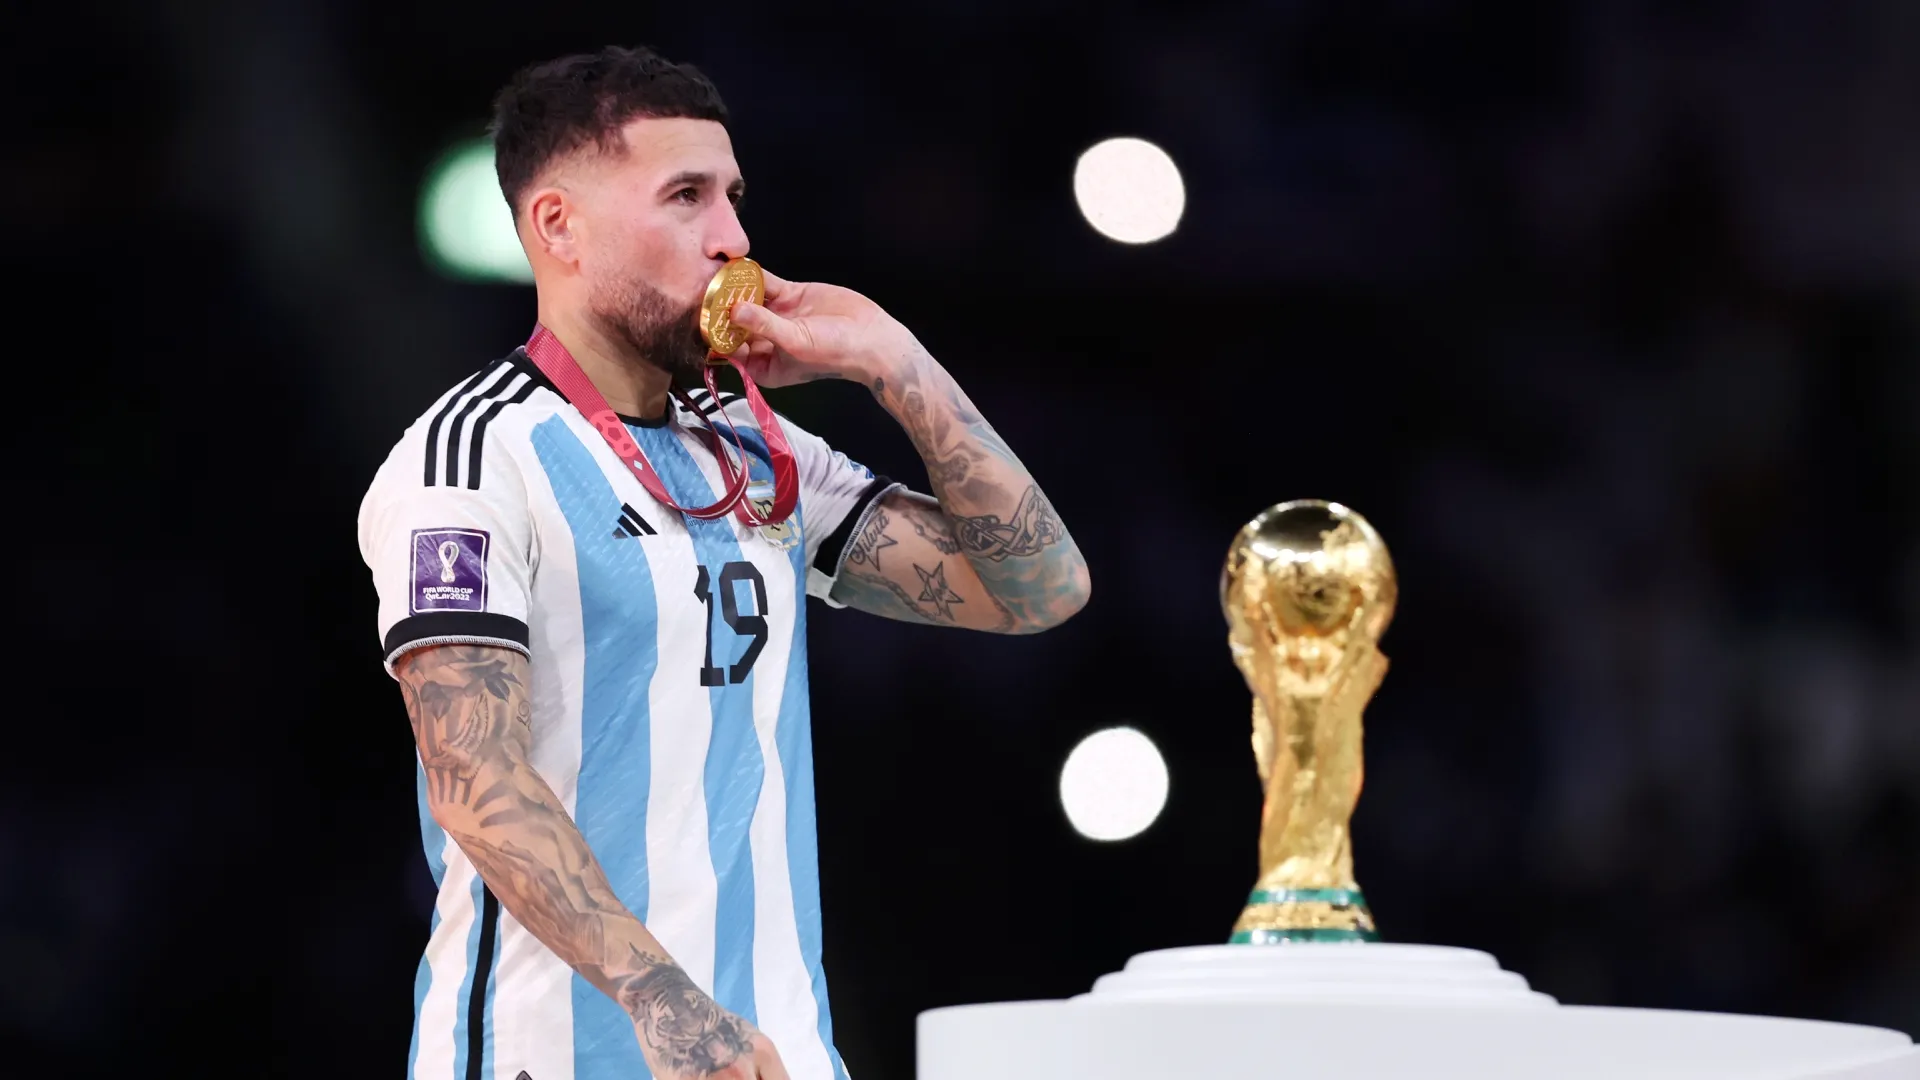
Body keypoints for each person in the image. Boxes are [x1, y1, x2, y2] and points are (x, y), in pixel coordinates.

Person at [356, 44, 1090, 1080]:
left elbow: (1041, 590)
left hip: (775, 1053)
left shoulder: (753, 446)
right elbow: (473, 776)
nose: (734, 238)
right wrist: (668, 1006)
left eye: (734, 197)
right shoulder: (472, 456)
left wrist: (900, 366)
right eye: (687, 196)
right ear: (556, 225)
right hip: (562, 1057)